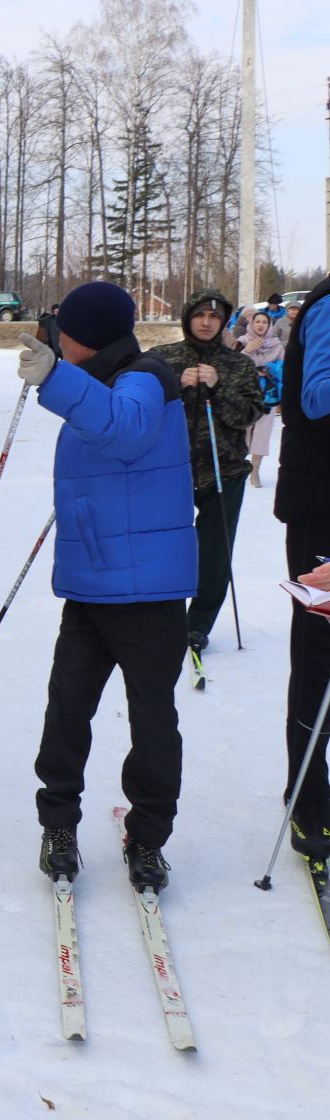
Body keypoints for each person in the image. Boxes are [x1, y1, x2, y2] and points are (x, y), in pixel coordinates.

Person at [15, 282, 195, 891]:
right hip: (95, 583)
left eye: (62, 329)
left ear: (83, 335)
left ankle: (148, 837)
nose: (55, 338)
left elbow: (124, 431)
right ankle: (58, 823)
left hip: (147, 593)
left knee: (150, 719)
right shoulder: (98, 379)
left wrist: (54, 381)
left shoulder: (145, 376)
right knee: (67, 708)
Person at [148, 290, 262, 655]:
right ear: (187, 318)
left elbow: (249, 415)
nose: (206, 322)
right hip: (169, 471)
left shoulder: (239, 365)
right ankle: (161, 619)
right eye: (199, 315)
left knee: (214, 555)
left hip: (223, 471)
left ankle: (198, 625)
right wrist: (174, 384)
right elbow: (138, 405)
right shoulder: (161, 359)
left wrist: (219, 386)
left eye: (214, 317)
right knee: (166, 549)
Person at [274, 274, 330, 858]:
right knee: (319, 652)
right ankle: (307, 794)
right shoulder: (329, 305)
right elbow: (316, 396)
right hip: (322, 506)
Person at [239, 309, 284, 486]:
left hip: (268, 395)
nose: (260, 325)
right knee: (243, 432)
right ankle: (240, 468)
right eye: (257, 321)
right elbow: (233, 366)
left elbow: (283, 368)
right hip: (245, 395)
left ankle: (255, 471)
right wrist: (247, 351)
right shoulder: (242, 342)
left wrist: (269, 370)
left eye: (264, 322)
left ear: (269, 325)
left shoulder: (277, 345)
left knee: (261, 435)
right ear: (252, 323)